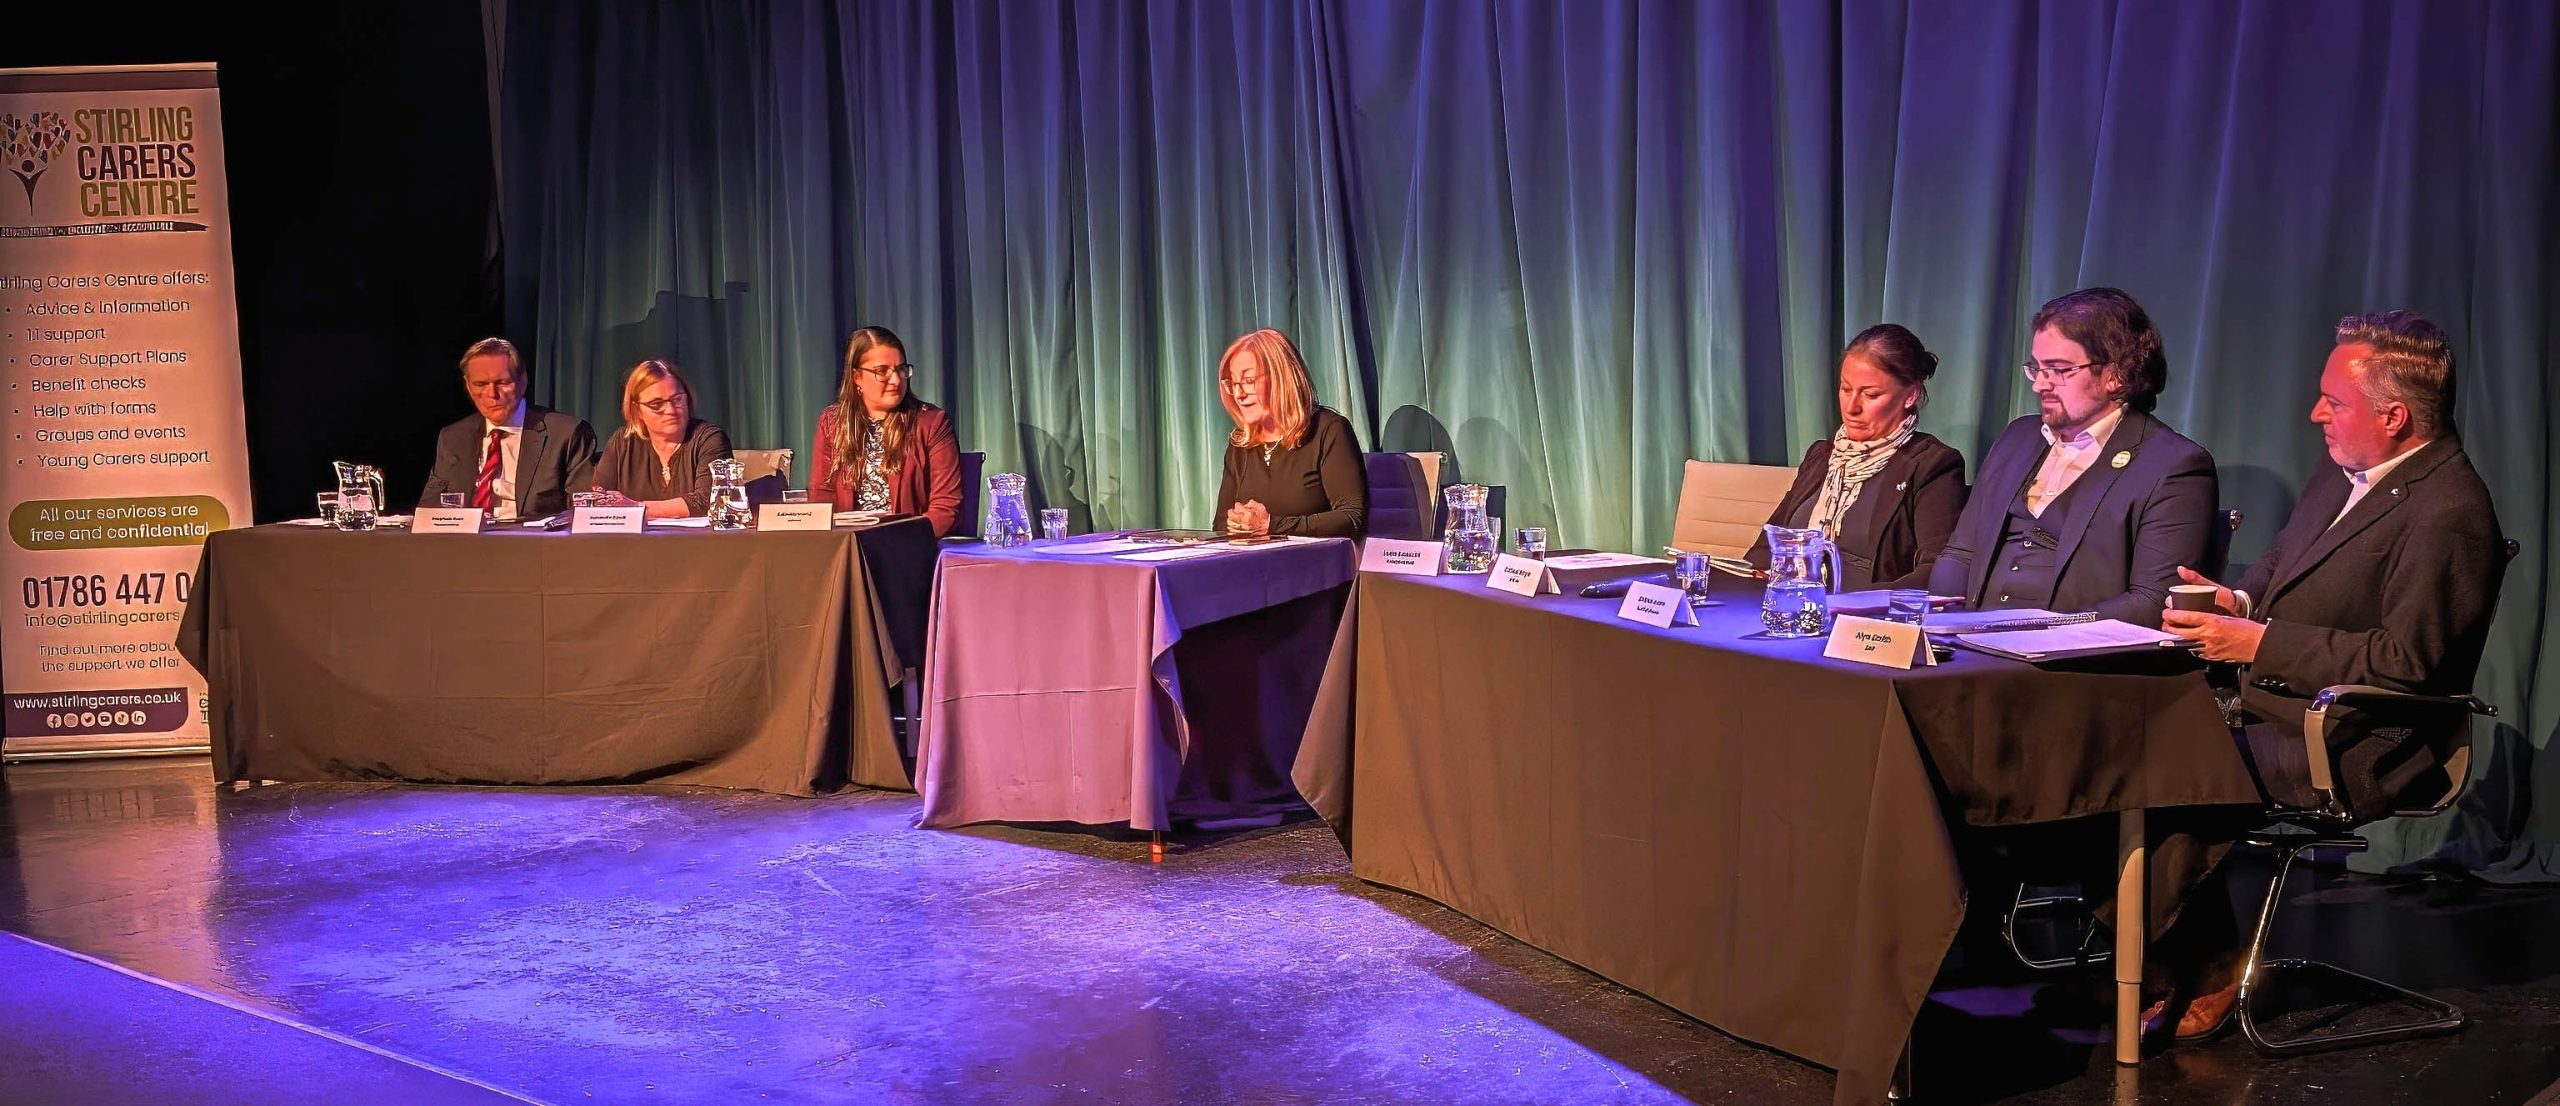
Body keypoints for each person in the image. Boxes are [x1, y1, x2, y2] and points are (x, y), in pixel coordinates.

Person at [2148, 310, 2506, 1039]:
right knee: (2104, 731)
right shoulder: (2344, 469)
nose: (2316, 413)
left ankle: (2208, 960)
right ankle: (2156, 950)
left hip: (2358, 735)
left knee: (2158, 769)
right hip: (2266, 706)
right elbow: (2283, 562)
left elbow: (2407, 664)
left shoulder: (2450, 511)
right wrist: (2238, 599)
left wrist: (2257, 642)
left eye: (2333, 402)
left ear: (2396, 416)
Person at [1926, 287, 2217, 628]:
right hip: (1973, 647)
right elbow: (1960, 555)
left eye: (2059, 370)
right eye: (2037, 368)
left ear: (2116, 375)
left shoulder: (2173, 466)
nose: (2040, 385)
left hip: (2072, 660)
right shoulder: (2017, 439)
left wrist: (2041, 632)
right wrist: (1943, 626)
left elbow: (2152, 602)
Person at [1746, 324, 1968, 589]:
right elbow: (1766, 549)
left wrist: (1850, 605)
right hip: (1794, 612)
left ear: (1910, 395)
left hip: (1868, 622)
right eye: (1846, 389)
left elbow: (1938, 572)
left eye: (1870, 394)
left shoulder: (1932, 466)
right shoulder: (1823, 455)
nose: (1852, 408)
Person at [809, 326, 964, 537]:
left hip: (907, 550)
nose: (896, 380)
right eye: (882, 371)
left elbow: (946, 507)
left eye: (901, 369)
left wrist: (899, 543)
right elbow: (821, 499)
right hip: (849, 549)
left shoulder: (932, 422)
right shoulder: (832, 422)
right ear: (856, 378)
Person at [1211, 328, 1366, 539]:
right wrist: (1237, 525)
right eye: (1233, 384)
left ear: (1281, 377)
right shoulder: (1240, 444)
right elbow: (1220, 524)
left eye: (1248, 381)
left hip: (1314, 564)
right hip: (1252, 565)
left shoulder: (1328, 430)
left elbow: (1351, 518)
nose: (1238, 394)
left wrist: (1272, 525)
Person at [418, 337, 598, 519]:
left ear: (522, 381)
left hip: (534, 543)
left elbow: (582, 510)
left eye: (502, 383)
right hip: (467, 543)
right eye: (480, 384)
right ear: (468, 386)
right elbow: (430, 510)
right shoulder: (453, 438)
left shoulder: (566, 433)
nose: (492, 394)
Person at [589, 359, 734, 518]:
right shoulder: (622, 443)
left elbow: (711, 500)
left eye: (677, 399)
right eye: (656, 404)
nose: (670, 410)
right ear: (637, 410)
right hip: (633, 542)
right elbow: (599, 501)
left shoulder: (709, 439)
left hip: (696, 542)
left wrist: (636, 509)